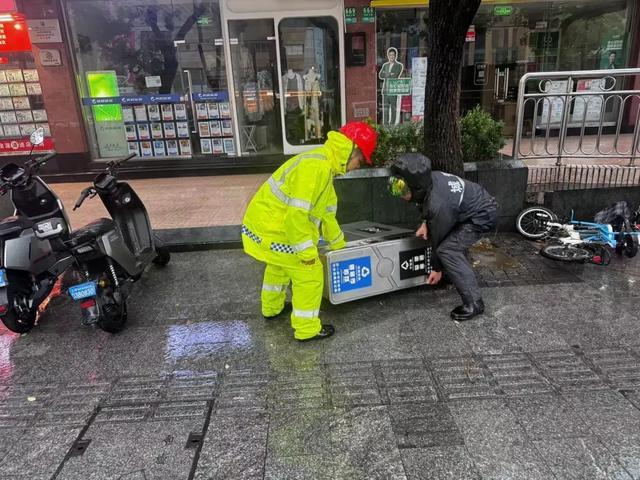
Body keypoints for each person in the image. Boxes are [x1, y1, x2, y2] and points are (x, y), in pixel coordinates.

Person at [241, 121, 378, 341]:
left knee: (278, 267)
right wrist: (306, 253)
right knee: (310, 273)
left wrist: (339, 245)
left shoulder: (323, 166)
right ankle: (307, 329)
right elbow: (296, 215)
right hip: (277, 232)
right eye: (360, 161)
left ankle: (271, 308)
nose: (357, 167)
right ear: (351, 149)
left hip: (266, 228)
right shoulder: (317, 168)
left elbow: (327, 216)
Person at [388, 153, 498, 321]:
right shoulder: (429, 181)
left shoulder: (437, 204)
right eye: (395, 186)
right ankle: (453, 275)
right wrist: (425, 222)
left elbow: (439, 237)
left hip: (482, 215)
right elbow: (425, 205)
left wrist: (436, 269)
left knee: (448, 250)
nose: (398, 193)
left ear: (416, 187)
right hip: (467, 208)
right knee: (446, 245)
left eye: (402, 188)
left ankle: (474, 303)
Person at [379, 47, 403, 126]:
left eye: (393, 55)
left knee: (393, 108)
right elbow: (381, 75)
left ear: (395, 56)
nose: (391, 56)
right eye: (390, 55)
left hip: (393, 89)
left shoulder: (399, 65)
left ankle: (392, 124)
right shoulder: (385, 65)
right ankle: (385, 124)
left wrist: (387, 74)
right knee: (385, 109)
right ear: (388, 56)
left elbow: (395, 75)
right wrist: (389, 74)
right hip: (385, 90)